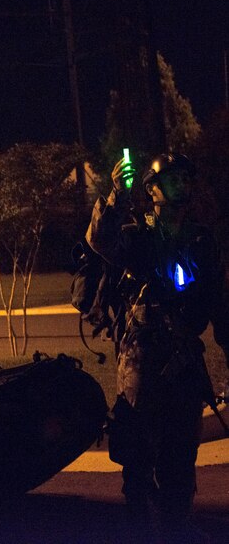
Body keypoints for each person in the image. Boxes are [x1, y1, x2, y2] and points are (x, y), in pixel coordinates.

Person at [86, 152, 229, 541]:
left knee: (181, 457)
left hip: (184, 363)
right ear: (153, 189)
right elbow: (99, 239)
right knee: (137, 459)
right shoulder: (137, 237)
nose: (182, 184)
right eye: (173, 179)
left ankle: (177, 527)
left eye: (185, 178)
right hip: (141, 363)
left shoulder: (201, 240)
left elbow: (220, 303)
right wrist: (116, 194)